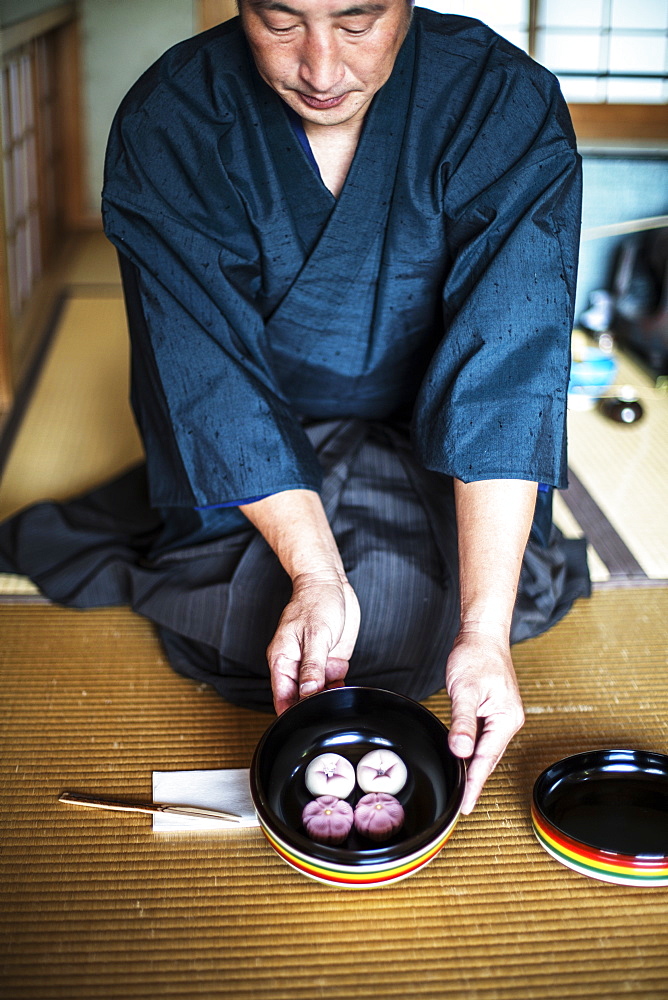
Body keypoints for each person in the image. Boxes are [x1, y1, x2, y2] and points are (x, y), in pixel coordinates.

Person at [0, 0, 590, 815]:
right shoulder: (173, 116)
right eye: (279, 22)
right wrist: (315, 572)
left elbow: (508, 366)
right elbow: (206, 377)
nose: (318, 68)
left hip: (429, 429)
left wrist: (482, 634)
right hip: (254, 432)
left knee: (449, 627)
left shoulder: (498, 100)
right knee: (274, 636)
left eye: (357, 23)